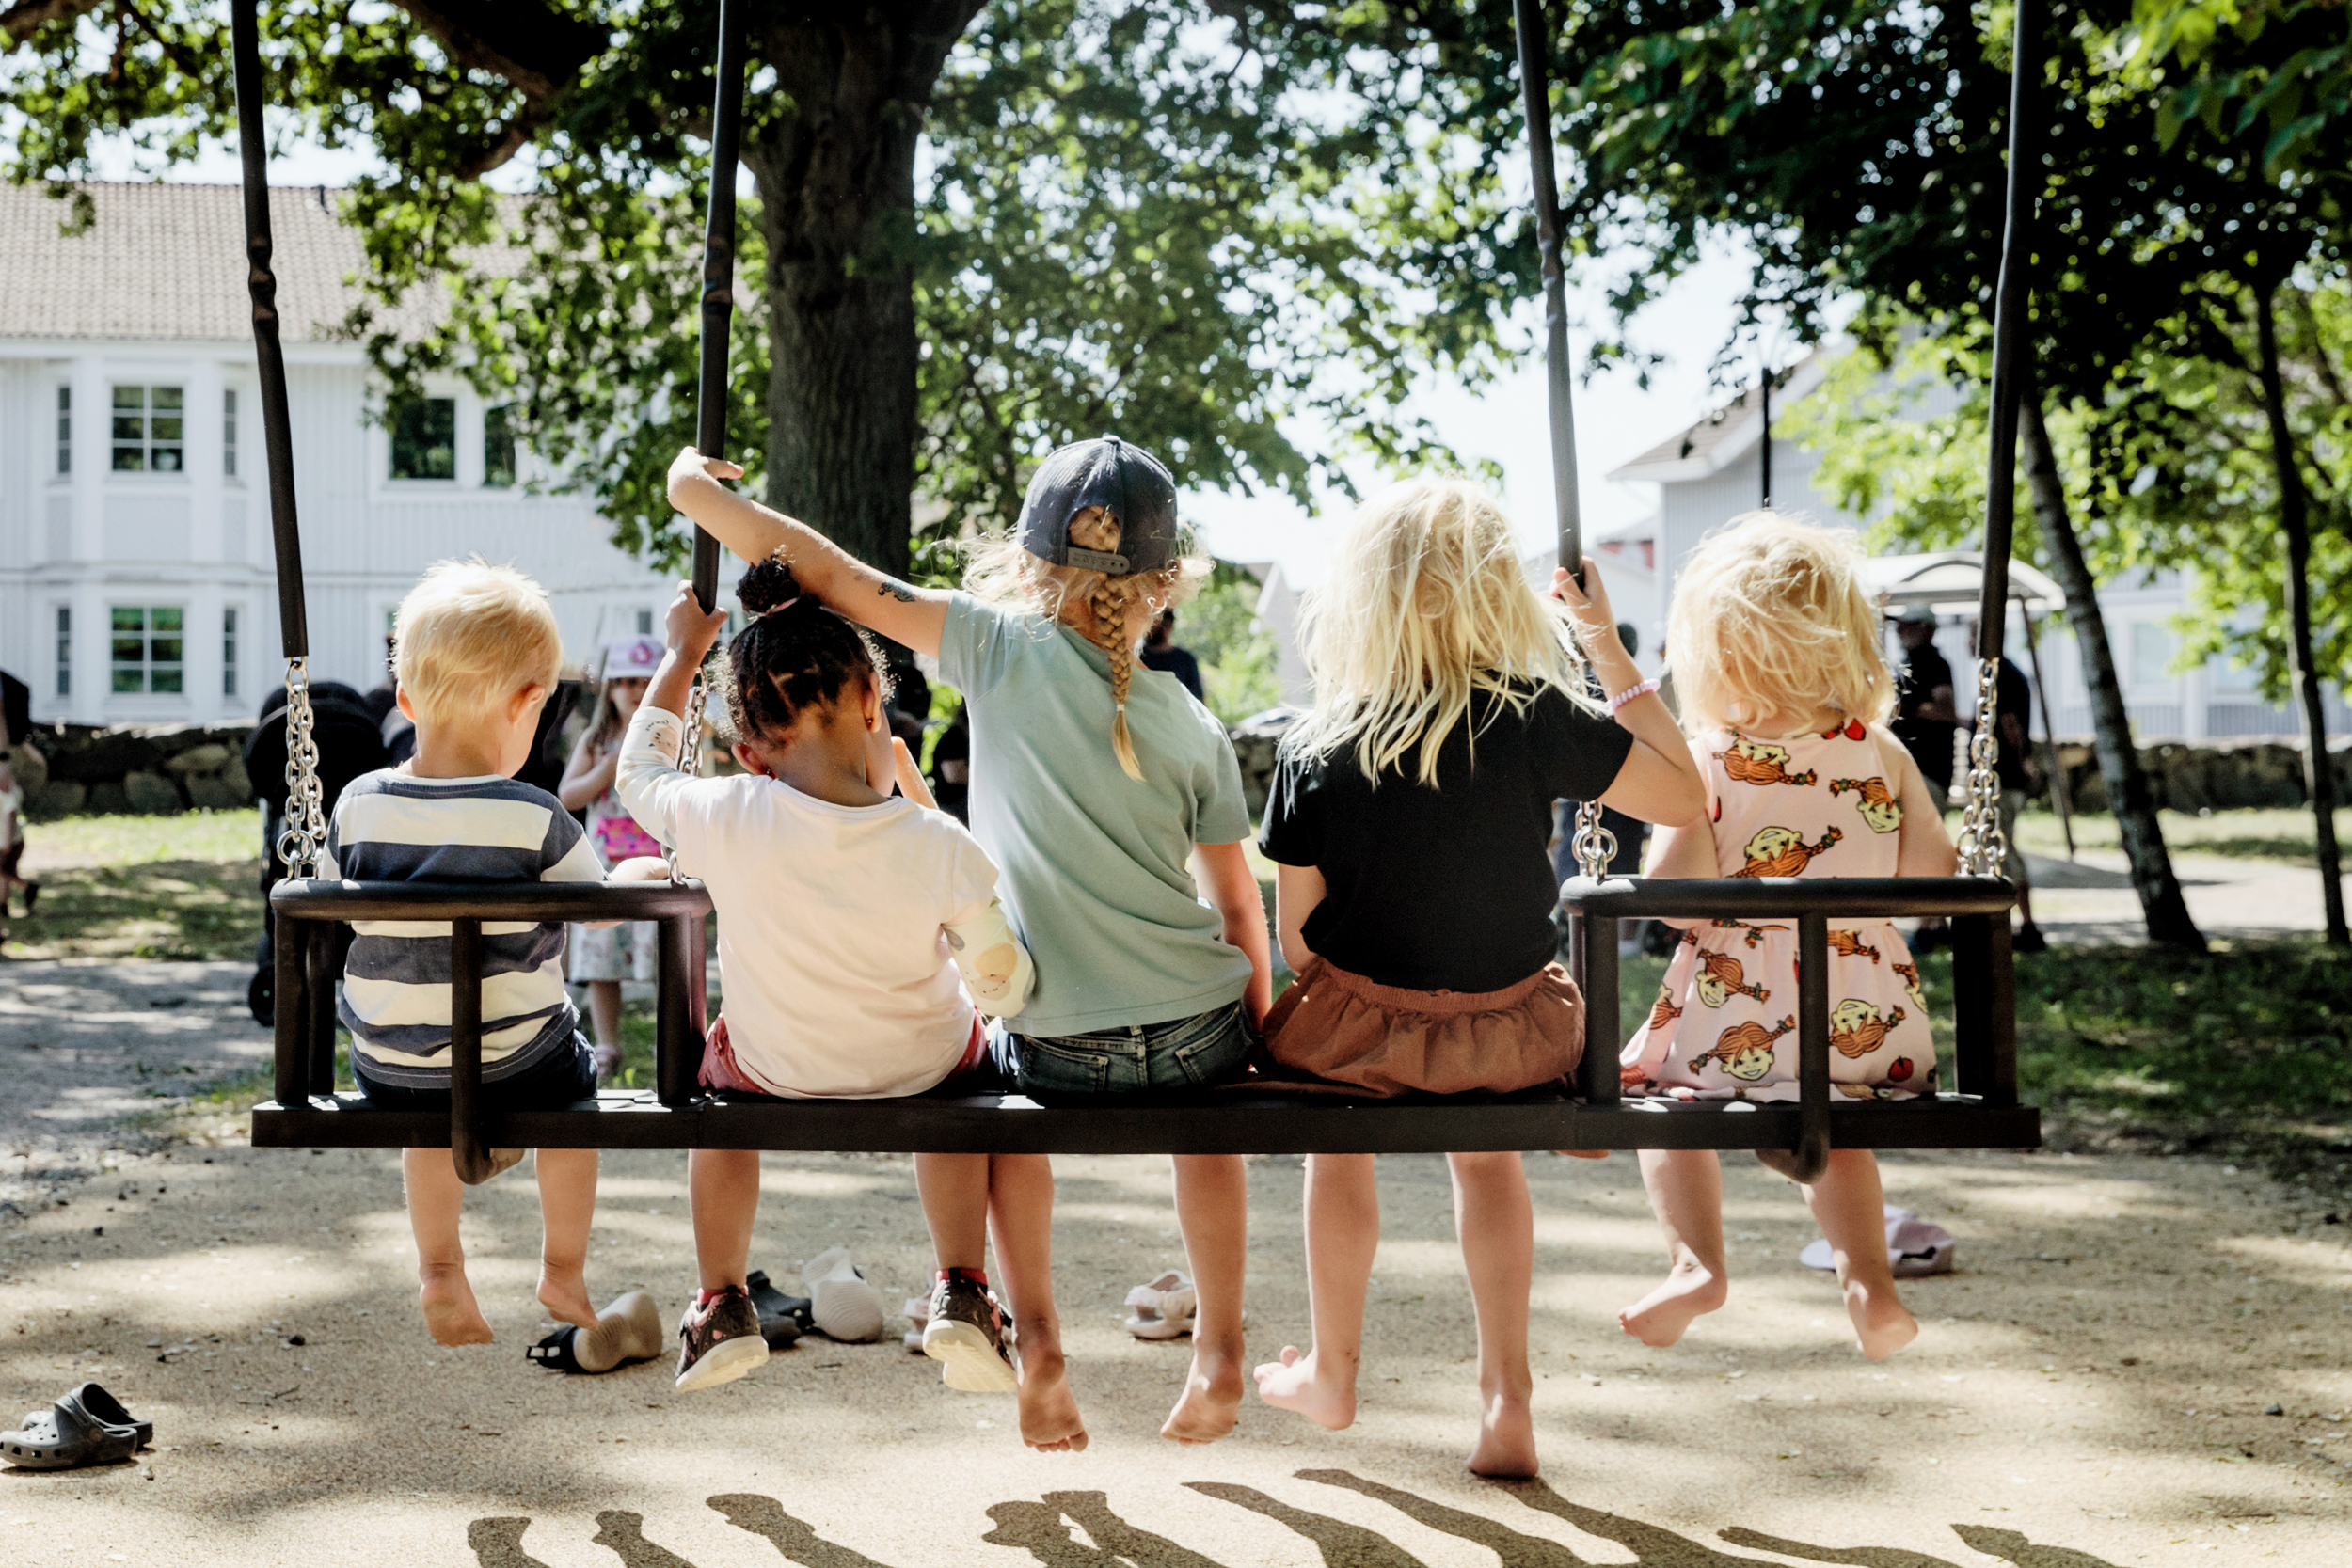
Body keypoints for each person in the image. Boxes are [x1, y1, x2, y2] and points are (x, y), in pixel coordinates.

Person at [665, 435, 1273, 1451]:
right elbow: (1238, 910)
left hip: (1056, 1040)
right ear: (1166, 583)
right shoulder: (1190, 722)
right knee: (1205, 1129)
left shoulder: (992, 646)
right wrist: (1255, 1036)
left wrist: (692, 490)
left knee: (994, 1101)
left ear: (1030, 563)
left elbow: (822, 568)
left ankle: (1035, 1336)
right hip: (1196, 1033)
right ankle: (1218, 1344)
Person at [1247, 478, 1706, 1478]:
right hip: (1513, 1033)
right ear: (1500, 591)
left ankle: (1331, 1370)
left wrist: (1391, 985)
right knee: (1487, 1157)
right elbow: (1683, 791)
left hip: (1358, 1036)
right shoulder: (1533, 714)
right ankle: (1506, 1399)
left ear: (1360, 596)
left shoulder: (1313, 743)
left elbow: (1300, 941)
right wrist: (1606, 648)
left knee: (1337, 1147)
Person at [615, 562, 1052, 1402]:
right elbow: (1001, 984)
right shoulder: (937, 845)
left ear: (748, 750)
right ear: (871, 706)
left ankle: (722, 1299)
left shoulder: (728, 812)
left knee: (717, 1091)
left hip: (775, 1072)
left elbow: (641, 771)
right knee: (965, 1069)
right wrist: (921, 805)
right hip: (922, 1069)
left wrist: (682, 656)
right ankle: (962, 1282)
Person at [1619, 513, 1950, 1363]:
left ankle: (1697, 1266)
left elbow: (1675, 902)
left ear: (1713, 651)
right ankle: (1869, 1285)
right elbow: (1936, 873)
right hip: (1864, 1015)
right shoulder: (1881, 752)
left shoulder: (1709, 759)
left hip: (1737, 1005)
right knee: (1839, 1130)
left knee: (1665, 1106)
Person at [326, 559, 622, 1349]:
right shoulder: (536, 816)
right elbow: (597, 908)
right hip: (520, 1057)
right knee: (575, 1104)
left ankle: (440, 1270)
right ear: (530, 705)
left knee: (424, 1117)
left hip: (390, 1062)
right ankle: (562, 1266)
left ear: (407, 700)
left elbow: (321, 897)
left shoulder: (357, 804)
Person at [559, 637, 665, 1079]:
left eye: (644, 682)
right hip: (608, 863)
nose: (634, 692)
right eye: (623, 682)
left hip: (658, 865)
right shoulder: (597, 738)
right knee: (603, 957)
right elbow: (567, 795)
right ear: (609, 690)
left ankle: (671, 1039)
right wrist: (605, 770)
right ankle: (607, 1044)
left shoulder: (667, 736)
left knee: (665, 953)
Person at [1966, 623, 2047, 953]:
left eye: (1974, 636)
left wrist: (2022, 760)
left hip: (2002, 779)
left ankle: (2025, 926)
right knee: (1995, 847)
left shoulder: (2003, 675)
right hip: (1999, 778)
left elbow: (2011, 725)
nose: (1969, 642)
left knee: (2001, 849)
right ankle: (2014, 925)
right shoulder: (2001, 673)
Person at [1890, 604, 1958, 801]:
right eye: (1900, 627)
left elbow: (1946, 711)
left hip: (1928, 768)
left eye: (1907, 626)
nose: (1900, 632)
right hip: (1909, 766)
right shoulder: (1908, 662)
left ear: (1926, 629)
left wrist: (1902, 708)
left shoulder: (1934, 664)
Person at [1139, 608, 1204, 700]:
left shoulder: (1185, 660)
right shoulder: (1137, 657)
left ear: (1168, 625)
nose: (1150, 629)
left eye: (1155, 622)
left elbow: (1197, 698)